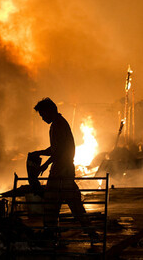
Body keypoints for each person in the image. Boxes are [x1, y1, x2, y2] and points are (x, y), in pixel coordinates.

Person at [30, 97, 98, 243]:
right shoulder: (61, 123)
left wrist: (44, 164)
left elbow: (58, 150)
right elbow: (57, 149)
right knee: (74, 205)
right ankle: (92, 233)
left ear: (50, 111)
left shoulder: (57, 125)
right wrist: (40, 153)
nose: (42, 118)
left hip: (60, 172)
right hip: (66, 170)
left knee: (50, 205)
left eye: (43, 115)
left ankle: (49, 234)